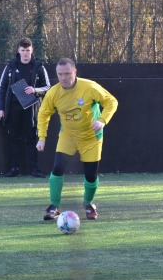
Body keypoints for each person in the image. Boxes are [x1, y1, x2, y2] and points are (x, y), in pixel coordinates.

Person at [36, 57, 118, 221]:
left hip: (91, 138)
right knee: (58, 168)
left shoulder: (89, 87)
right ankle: (54, 206)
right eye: (60, 74)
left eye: (67, 74)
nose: (64, 78)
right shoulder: (54, 92)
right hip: (68, 136)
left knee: (90, 175)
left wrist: (102, 120)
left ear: (75, 72)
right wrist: (42, 137)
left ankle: (88, 204)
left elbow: (111, 101)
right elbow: (43, 114)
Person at [0, 37, 51, 177]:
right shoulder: (10, 66)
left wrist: (35, 90)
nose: (25, 53)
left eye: (28, 50)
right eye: (23, 50)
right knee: (13, 138)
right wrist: (0, 108)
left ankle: (34, 169)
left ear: (32, 51)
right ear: (18, 51)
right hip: (13, 107)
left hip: (31, 108)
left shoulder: (39, 67)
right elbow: (2, 87)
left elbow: (48, 88)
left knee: (31, 138)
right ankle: (14, 169)